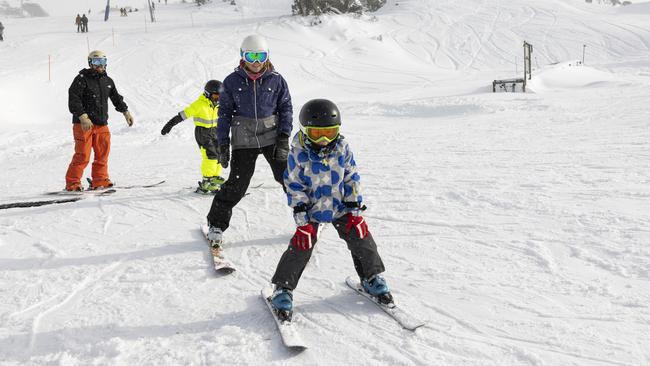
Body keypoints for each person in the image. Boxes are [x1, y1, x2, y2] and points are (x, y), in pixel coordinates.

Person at [268, 99, 393, 319]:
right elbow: (293, 184)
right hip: (312, 209)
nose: (324, 140)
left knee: (362, 239)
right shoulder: (298, 153)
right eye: (317, 134)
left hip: (341, 207)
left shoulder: (342, 147)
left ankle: (371, 277)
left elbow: (351, 176)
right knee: (301, 247)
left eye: (330, 132)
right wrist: (301, 217)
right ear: (305, 131)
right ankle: (282, 288)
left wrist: (354, 206)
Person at [205, 34, 293, 247]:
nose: (256, 62)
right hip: (243, 137)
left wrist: (283, 137)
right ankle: (216, 224)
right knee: (237, 184)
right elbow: (224, 113)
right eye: (251, 56)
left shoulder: (277, 80)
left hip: (271, 135)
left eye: (260, 56)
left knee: (289, 178)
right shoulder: (232, 81)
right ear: (242, 56)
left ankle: (306, 216)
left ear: (267, 56)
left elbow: (286, 108)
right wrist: (223, 143)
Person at [65, 50, 134, 191]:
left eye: (103, 62)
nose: (100, 66)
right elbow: (74, 98)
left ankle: (100, 180)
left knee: (102, 153)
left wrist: (125, 111)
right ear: (90, 63)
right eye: (96, 62)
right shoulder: (81, 79)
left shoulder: (107, 81)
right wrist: (82, 116)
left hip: (101, 124)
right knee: (82, 155)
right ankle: (73, 183)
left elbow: (116, 98)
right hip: (84, 124)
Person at [161, 80, 225, 194]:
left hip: (215, 131)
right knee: (210, 155)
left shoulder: (219, 105)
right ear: (207, 94)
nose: (218, 99)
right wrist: (170, 124)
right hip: (203, 132)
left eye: (220, 96)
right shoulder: (199, 104)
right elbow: (183, 115)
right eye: (216, 96)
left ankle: (214, 177)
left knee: (220, 153)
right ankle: (207, 181)